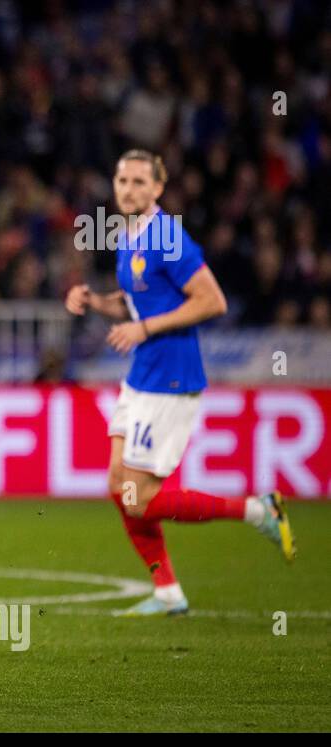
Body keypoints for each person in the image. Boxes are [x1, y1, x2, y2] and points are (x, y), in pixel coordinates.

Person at [64, 149, 295, 617]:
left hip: (170, 378)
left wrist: (145, 330)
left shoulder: (168, 235)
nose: (127, 189)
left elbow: (213, 301)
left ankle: (259, 510)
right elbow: (135, 305)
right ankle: (167, 590)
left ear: (157, 189)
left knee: (141, 498)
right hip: (142, 375)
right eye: (122, 180)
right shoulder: (128, 234)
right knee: (117, 485)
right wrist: (95, 301)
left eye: (138, 182)